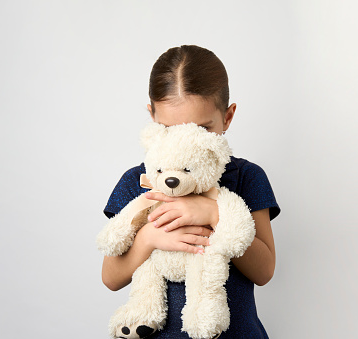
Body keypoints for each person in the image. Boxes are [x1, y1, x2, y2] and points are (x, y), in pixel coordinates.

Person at [101, 45, 281, 338]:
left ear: (228, 116)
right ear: (152, 119)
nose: (188, 142)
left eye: (202, 129)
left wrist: (215, 213)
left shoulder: (247, 177)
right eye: (171, 129)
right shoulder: (140, 180)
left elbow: (264, 271)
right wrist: (147, 238)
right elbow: (110, 277)